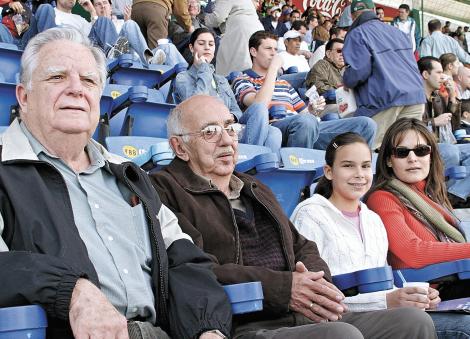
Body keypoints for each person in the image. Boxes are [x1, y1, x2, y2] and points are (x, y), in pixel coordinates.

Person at [0, 27, 231, 339]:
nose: (75, 89)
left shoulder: (129, 174)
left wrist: (207, 328)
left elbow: (184, 259)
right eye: (56, 78)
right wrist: (70, 291)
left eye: (89, 80)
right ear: (23, 97)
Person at [149, 94, 437, 339]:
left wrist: (317, 285)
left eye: (230, 127)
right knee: (341, 336)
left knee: (412, 322)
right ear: (179, 147)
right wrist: (285, 289)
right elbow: (194, 269)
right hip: (243, 324)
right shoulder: (164, 189)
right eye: (210, 131)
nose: (227, 141)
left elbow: (301, 246)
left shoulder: (254, 187)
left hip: (298, 314)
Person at [291, 131, 470, 339]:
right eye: (348, 166)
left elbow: (384, 284)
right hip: (336, 322)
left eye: (365, 166)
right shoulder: (311, 215)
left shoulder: (372, 219)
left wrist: (415, 297)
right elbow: (314, 297)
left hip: (383, 315)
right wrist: (388, 301)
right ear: (329, 171)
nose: (359, 174)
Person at [366, 118, 470, 303]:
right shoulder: (382, 198)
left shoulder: (432, 195)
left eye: (421, 150)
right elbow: (412, 252)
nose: (412, 158)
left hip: (454, 280)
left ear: (430, 156)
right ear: (389, 160)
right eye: (402, 152)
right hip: (427, 295)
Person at [232, 30, 377, 150]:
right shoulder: (243, 79)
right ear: (253, 51)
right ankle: (299, 176)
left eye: (276, 49)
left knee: (366, 125)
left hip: (306, 128)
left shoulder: (284, 83)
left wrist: (313, 109)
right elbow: (259, 105)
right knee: (306, 122)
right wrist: (274, 69)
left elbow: (306, 113)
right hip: (275, 130)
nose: (273, 53)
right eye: (268, 49)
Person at [173, 27, 281, 152]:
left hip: (229, 128)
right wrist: (203, 68)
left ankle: (256, 165)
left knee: (273, 130)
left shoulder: (221, 80)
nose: (207, 47)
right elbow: (197, 105)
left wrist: (231, 116)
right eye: (201, 43)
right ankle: (251, 160)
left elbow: (237, 111)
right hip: (205, 130)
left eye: (211, 44)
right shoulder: (183, 77)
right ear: (192, 48)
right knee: (265, 118)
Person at [343, 0, 425, 149]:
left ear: (353, 16)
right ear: (374, 10)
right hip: (415, 95)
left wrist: (346, 80)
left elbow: (358, 71)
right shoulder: (398, 32)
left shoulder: (357, 33)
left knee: (373, 150)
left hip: (385, 99)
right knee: (407, 151)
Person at [203, 0, 264, 76]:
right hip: (256, 31)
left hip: (241, 32)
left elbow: (218, 18)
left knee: (237, 70)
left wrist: (204, 18)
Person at [418, 56, 460, 137]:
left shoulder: (438, 98)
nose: (443, 77)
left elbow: (454, 127)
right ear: (426, 74)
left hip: (440, 144)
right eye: (438, 72)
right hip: (422, 147)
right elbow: (407, 126)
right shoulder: (413, 98)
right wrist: (434, 122)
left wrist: (452, 97)